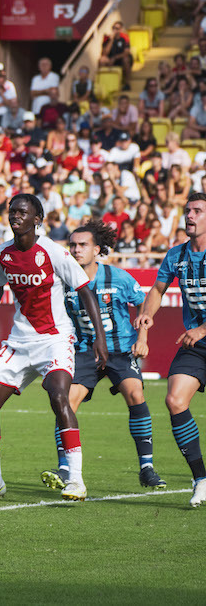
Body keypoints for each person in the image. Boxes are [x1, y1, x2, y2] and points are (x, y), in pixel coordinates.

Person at [0, 194, 108, 503]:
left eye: (22, 212)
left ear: (37, 219)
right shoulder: (1, 254)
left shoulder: (54, 252)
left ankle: (76, 480)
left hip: (55, 339)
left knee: (59, 396)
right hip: (19, 341)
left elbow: (85, 291)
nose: (15, 216)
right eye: (12, 211)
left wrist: (100, 337)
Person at [36, 222, 166, 492]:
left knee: (135, 394)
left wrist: (142, 338)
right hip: (85, 351)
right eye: (73, 245)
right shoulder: (62, 280)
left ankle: (147, 468)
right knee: (66, 403)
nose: (76, 249)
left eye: (83, 245)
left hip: (120, 349)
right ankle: (65, 468)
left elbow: (143, 303)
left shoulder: (118, 277)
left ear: (97, 250)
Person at [133, 193, 206, 507]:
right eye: (187, 210)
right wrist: (147, 316)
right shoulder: (177, 254)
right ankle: (201, 479)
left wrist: (202, 329)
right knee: (175, 400)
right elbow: (157, 289)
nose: (190, 215)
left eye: (197, 211)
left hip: (198, 334)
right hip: (196, 345)